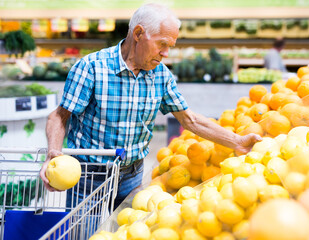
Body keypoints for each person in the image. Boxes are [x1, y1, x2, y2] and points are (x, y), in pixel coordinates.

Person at [39, 3, 262, 210]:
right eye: (162, 44)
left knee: (125, 229)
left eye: (170, 46)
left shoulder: (161, 75)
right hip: (90, 178)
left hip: (133, 175)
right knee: (84, 234)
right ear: (138, 34)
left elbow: (189, 120)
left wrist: (238, 141)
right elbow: (59, 117)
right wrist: (53, 155)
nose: (166, 54)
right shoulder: (92, 67)